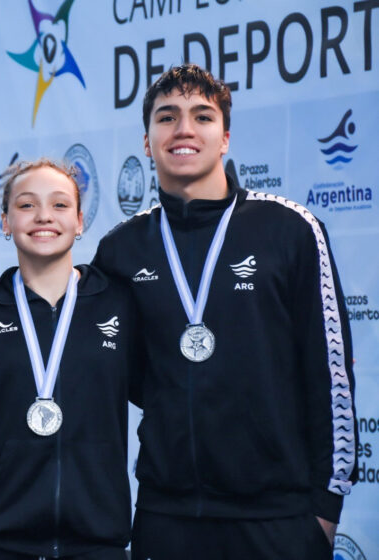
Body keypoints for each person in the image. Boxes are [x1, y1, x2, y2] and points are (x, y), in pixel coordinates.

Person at [93, 63, 357, 560]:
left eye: (202, 116)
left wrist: (325, 508)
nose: (184, 129)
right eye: (167, 117)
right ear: (147, 142)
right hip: (165, 517)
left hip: (275, 519)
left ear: (226, 137)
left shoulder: (290, 229)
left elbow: (332, 377)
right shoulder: (122, 249)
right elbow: (123, 375)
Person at [0, 159, 137, 560]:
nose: (43, 217)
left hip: (94, 542)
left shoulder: (119, 302)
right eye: (26, 205)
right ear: (4, 222)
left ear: (80, 220)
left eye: (59, 205)